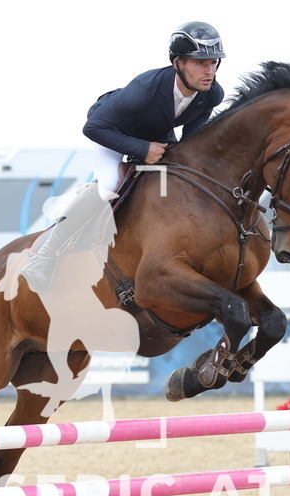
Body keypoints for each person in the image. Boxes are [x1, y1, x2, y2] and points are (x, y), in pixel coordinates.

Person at [21, 21, 227, 295]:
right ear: (178, 63)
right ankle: (46, 254)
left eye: (213, 62)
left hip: (155, 135)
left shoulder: (211, 94)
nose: (209, 71)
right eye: (200, 63)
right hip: (112, 131)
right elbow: (93, 127)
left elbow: (192, 141)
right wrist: (142, 149)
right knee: (108, 186)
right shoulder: (146, 87)